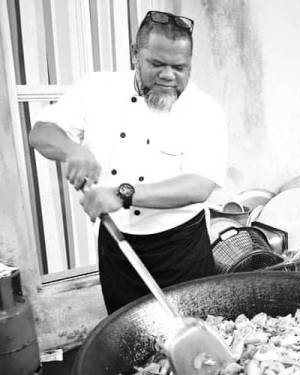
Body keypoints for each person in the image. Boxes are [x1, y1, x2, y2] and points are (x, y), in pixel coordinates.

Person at [29, 10, 228, 314]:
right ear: (135, 54)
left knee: (194, 336)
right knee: (127, 340)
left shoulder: (205, 110)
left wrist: (121, 194)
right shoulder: (98, 88)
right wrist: (72, 150)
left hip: (181, 250)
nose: (168, 76)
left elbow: (199, 185)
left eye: (179, 67)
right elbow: (41, 132)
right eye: (157, 64)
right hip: (118, 246)